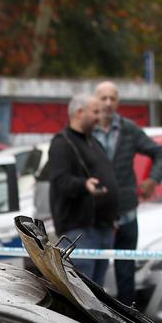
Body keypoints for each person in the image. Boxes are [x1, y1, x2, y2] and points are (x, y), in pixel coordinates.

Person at [42, 93, 123, 286]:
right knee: (83, 292)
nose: (99, 117)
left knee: (98, 294)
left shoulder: (93, 142)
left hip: (103, 229)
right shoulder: (63, 143)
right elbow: (61, 182)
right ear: (79, 112)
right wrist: (84, 185)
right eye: (95, 112)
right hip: (80, 232)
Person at [90, 80, 159, 305]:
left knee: (125, 271)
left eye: (113, 98)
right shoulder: (87, 129)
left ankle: (128, 320)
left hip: (126, 210)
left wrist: (153, 179)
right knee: (92, 272)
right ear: (96, 100)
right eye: (103, 98)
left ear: (118, 102)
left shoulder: (129, 130)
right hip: (96, 212)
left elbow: (159, 153)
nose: (108, 103)